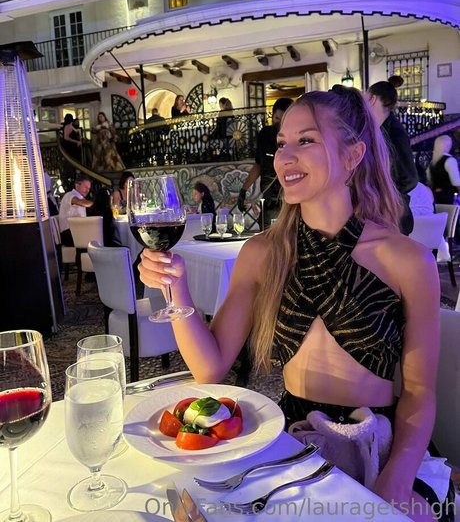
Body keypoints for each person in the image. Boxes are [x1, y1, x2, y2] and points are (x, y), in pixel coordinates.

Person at [139, 87, 451, 522]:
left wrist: (396, 479)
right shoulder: (262, 253)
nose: (285, 157)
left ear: (353, 155)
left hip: (379, 444)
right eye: (282, 143)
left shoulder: (408, 260)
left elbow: (419, 391)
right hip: (292, 442)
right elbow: (210, 368)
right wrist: (176, 288)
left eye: (306, 140)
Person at [367, 80, 418, 235]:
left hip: (393, 216)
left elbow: (410, 178)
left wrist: (385, 194)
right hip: (384, 215)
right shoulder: (380, 130)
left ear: (372, 99)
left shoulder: (394, 132)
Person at [237, 97, 293, 229]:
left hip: (290, 201)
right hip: (269, 201)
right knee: (266, 236)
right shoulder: (265, 135)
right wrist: (243, 190)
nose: (279, 124)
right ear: (272, 117)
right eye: (277, 119)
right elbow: (258, 164)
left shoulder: (295, 137)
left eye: (284, 119)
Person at [58, 174, 93, 246]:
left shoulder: (81, 198)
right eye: (85, 187)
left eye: (89, 188)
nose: (87, 190)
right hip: (68, 234)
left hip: (76, 232)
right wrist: (98, 203)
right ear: (77, 185)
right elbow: (80, 202)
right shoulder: (70, 195)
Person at [427, 135, 460, 204]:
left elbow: (429, 180)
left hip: (434, 197)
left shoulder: (432, 162)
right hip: (448, 198)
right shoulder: (450, 160)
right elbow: (456, 182)